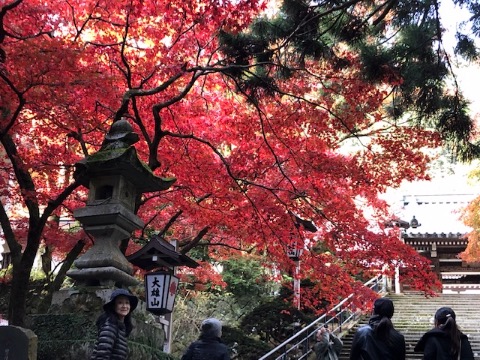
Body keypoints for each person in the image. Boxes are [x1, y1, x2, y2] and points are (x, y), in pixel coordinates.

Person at [90, 288, 138, 360]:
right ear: (113, 306)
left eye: (127, 303)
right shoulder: (110, 326)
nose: (124, 306)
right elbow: (102, 355)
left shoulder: (121, 327)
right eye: (120, 303)